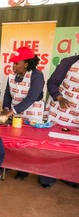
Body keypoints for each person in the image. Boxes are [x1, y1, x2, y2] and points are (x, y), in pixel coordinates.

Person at [2, 46, 45, 180]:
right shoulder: (12, 75)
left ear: (26, 64)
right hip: (16, 112)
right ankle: (11, 164)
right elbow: (7, 94)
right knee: (14, 141)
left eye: (17, 63)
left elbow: (31, 98)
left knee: (28, 144)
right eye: (13, 63)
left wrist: (11, 112)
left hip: (32, 112)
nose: (13, 66)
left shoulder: (37, 76)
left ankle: (24, 170)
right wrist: (5, 108)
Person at [39, 55, 79, 189]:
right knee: (52, 145)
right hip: (59, 111)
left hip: (76, 117)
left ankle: (68, 176)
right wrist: (59, 98)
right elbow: (52, 82)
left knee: (72, 148)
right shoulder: (69, 62)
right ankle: (47, 176)